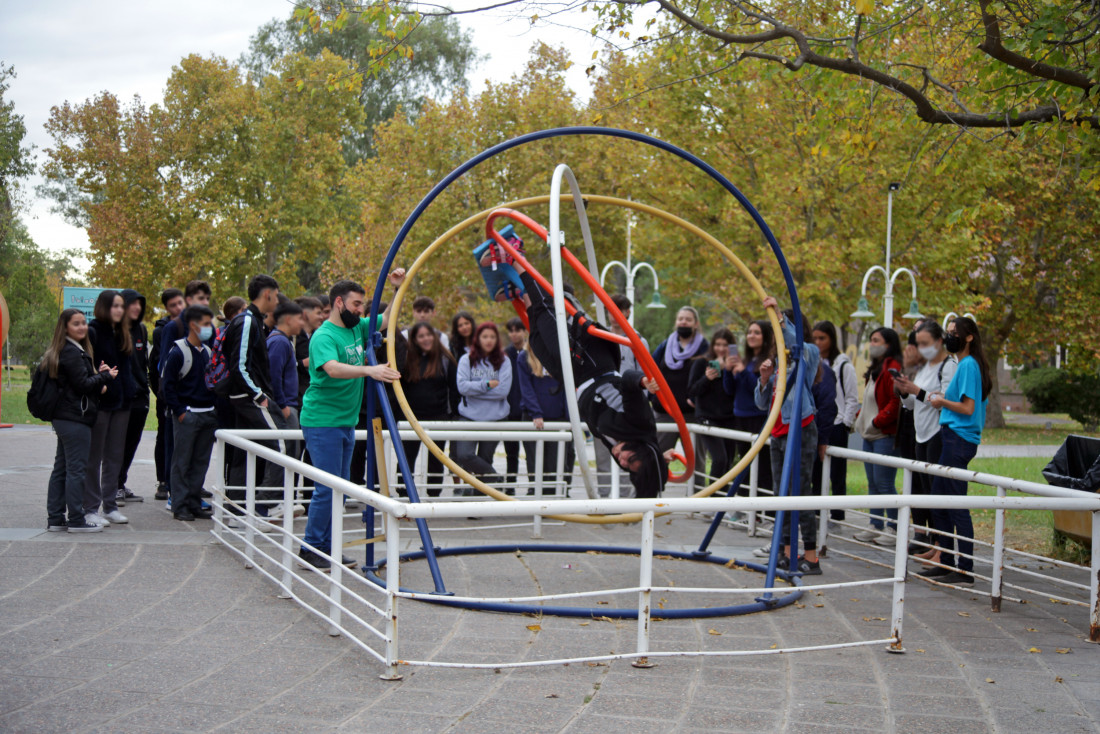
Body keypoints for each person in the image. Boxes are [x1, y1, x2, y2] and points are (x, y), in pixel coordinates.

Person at [515, 261, 668, 498]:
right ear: (643, 450)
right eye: (631, 458)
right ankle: (517, 260)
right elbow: (628, 380)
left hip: (577, 379)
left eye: (627, 466)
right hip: (594, 364)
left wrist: (660, 463)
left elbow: (647, 466)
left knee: (537, 342)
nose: (623, 460)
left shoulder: (625, 451)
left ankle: (521, 290)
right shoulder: (639, 424)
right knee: (548, 322)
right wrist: (642, 382)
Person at [298, 276, 402, 571]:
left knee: (340, 488)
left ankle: (327, 546)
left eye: (362, 305)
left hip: (344, 420)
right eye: (356, 304)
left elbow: (389, 318)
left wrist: (397, 288)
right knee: (327, 487)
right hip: (323, 421)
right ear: (339, 302)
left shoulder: (357, 326)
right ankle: (311, 547)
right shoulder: (324, 336)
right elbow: (331, 369)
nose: (360, 310)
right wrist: (370, 370)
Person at [919, 316, 990, 584]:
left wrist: (942, 402)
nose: (950, 337)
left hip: (959, 440)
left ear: (969, 337)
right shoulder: (964, 364)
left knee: (956, 503)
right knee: (940, 501)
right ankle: (948, 562)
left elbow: (968, 408)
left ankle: (964, 568)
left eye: (954, 333)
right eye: (948, 332)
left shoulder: (969, 365)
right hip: (952, 437)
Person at [754, 301, 823, 574]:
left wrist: (782, 319)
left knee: (800, 491)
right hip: (779, 430)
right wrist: (763, 379)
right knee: (779, 493)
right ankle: (784, 550)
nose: (779, 332)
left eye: (782, 326)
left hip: (801, 428)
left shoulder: (808, 353)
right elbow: (762, 404)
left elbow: (798, 345)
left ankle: (811, 555)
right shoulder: (780, 361)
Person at [42, 309, 116, 533]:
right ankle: (76, 519)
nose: (82, 327)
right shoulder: (72, 352)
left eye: (84, 323)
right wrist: (105, 376)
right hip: (74, 418)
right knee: (76, 469)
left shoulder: (66, 350)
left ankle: (56, 518)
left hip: (65, 417)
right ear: (65, 328)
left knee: (62, 468)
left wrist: (99, 376)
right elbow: (83, 384)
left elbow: (81, 382)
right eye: (76, 324)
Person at [221, 274, 286, 512]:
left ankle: (238, 511)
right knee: (283, 443)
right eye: (276, 295)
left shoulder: (251, 321)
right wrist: (258, 395)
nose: (277, 301)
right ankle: (267, 505)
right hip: (249, 397)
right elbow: (238, 365)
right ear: (267, 294)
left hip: (243, 395)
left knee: (243, 452)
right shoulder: (247, 321)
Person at [893, 321, 957, 559]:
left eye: (925, 344)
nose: (920, 348)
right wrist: (903, 391)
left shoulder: (949, 366)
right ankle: (936, 544)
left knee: (938, 492)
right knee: (926, 491)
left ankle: (943, 548)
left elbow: (946, 400)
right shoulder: (925, 367)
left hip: (937, 434)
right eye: (918, 344)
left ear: (939, 342)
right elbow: (912, 403)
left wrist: (917, 391)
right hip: (921, 435)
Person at [162, 306, 219, 522]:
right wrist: (180, 411)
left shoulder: (207, 352)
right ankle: (180, 504)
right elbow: (168, 386)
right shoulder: (178, 352)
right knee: (182, 462)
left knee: (200, 461)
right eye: (205, 324)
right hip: (188, 415)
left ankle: (194, 502)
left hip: (207, 414)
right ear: (193, 325)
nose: (209, 328)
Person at [83, 290, 135, 527]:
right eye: (115, 305)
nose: (119, 310)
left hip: (123, 403)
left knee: (114, 457)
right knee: (94, 458)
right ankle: (90, 509)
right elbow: (86, 367)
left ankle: (110, 505)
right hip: (101, 403)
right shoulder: (92, 331)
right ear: (105, 307)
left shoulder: (123, 333)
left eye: (122, 306)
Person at [592, 293, 650, 497]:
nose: (613, 315)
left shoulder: (637, 340)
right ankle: (605, 499)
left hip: (627, 408)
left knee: (628, 455)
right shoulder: (599, 337)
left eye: (617, 309)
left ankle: (625, 499)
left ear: (627, 312)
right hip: (603, 405)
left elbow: (645, 375)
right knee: (602, 456)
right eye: (609, 309)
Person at [852, 327, 903, 545]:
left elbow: (895, 401)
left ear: (888, 344)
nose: (872, 344)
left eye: (876, 340)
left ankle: (893, 527)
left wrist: (877, 422)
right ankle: (875, 523)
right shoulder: (875, 369)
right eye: (870, 340)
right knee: (872, 482)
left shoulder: (893, 368)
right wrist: (862, 419)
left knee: (884, 482)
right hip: (870, 435)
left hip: (884, 435)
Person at [451, 321, 513, 493]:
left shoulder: (504, 361)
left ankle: (474, 500)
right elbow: (462, 387)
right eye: (485, 336)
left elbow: (502, 391)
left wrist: (474, 389)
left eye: (492, 337)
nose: (489, 340)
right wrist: (486, 384)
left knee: (485, 458)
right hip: (469, 416)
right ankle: (495, 478)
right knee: (464, 455)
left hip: (494, 418)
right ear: (478, 339)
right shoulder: (466, 360)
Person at [401, 322, 458, 497]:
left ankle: (433, 494)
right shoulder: (407, 358)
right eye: (421, 336)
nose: (426, 339)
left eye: (429, 334)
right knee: (407, 457)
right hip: (412, 418)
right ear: (415, 340)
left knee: (436, 458)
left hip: (438, 416)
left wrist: (453, 415)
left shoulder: (445, 359)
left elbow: (454, 390)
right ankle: (404, 492)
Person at [723, 320, 775, 509]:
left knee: (762, 467)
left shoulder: (768, 361)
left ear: (766, 337)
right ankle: (745, 509)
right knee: (743, 465)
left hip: (758, 418)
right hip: (740, 418)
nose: (751, 336)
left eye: (757, 332)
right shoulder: (744, 360)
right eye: (749, 332)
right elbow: (730, 391)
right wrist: (728, 372)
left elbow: (759, 390)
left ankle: (765, 512)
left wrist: (744, 373)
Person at [811, 321, 858, 523]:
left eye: (822, 338)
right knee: (816, 471)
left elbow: (851, 397)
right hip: (818, 422)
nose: (818, 342)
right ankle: (816, 511)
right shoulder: (812, 362)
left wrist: (845, 424)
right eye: (815, 338)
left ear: (831, 339)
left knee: (837, 472)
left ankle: (837, 515)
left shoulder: (843, 364)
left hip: (837, 425)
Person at [651, 306, 709, 462]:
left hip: (691, 415)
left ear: (696, 324)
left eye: (688, 319)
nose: (683, 322)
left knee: (697, 462)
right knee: (658, 459)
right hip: (665, 413)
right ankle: (650, 487)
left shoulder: (705, 349)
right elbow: (650, 369)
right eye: (680, 319)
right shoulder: (664, 346)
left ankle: (697, 488)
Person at [517, 343, 575, 496]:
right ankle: (538, 499)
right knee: (535, 462)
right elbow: (526, 388)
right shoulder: (524, 357)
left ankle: (557, 497)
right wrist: (536, 413)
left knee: (558, 463)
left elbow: (567, 386)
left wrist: (570, 419)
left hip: (559, 418)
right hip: (534, 418)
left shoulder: (561, 353)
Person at [267, 297, 305, 518]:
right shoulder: (279, 342)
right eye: (300, 318)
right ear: (288, 319)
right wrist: (282, 405)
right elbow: (273, 377)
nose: (302, 323)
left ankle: (281, 500)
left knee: (291, 453)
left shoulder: (282, 341)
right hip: (286, 407)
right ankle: (272, 503)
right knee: (284, 454)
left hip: (290, 405)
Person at [686, 328, 736, 493]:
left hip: (729, 418)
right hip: (707, 417)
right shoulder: (701, 363)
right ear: (713, 345)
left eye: (725, 345)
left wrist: (730, 370)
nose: (721, 349)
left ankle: (722, 502)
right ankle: (712, 500)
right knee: (719, 459)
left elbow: (736, 390)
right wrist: (707, 378)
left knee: (728, 461)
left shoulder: (735, 365)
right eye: (718, 345)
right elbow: (692, 390)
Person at [150, 288, 185, 501]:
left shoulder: (194, 327)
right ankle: (163, 481)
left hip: (187, 395)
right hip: (167, 394)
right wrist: (162, 393)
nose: (178, 308)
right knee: (165, 436)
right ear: (166, 308)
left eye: (180, 303)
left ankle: (186, 482)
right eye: (173, 305)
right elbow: (157, 364)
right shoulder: (162, 331)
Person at [115, 289, 149, 505]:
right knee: (117, 443)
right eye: (132, 303)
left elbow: (143, 363)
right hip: (120, 398)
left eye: (139, 304)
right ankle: (113, 486)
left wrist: (144, 389)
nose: (136, 307)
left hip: (140, 398)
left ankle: (121, 482)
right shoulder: (114, 332)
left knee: (132, 443)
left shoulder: (142, 330)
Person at [502, 317, 527, 495]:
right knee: (511, 452)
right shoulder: (504, 354)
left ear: (524, 331)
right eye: (511, 331)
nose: (514, 334)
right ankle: (510, 485)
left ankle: (535, 486)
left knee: (532, 452)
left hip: (527, 410)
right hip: (509, 409)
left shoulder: (532, 352)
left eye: (517, 330)